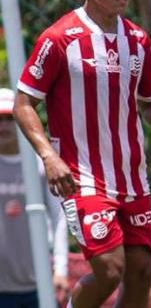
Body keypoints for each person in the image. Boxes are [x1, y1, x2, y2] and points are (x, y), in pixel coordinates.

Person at [12, 0, 151, 308]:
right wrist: (50, 157)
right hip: (82, 176)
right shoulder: (59, 39)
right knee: (110, 269)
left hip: (131, 176)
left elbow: (150, 103)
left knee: (141, 271)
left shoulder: (138, 40)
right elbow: (24, 104)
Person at [0, 88, 70, 307]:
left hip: (38, 284)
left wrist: (61, 269)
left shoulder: (41, 165)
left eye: (10, 118)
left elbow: (59, 218)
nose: (4, 126)